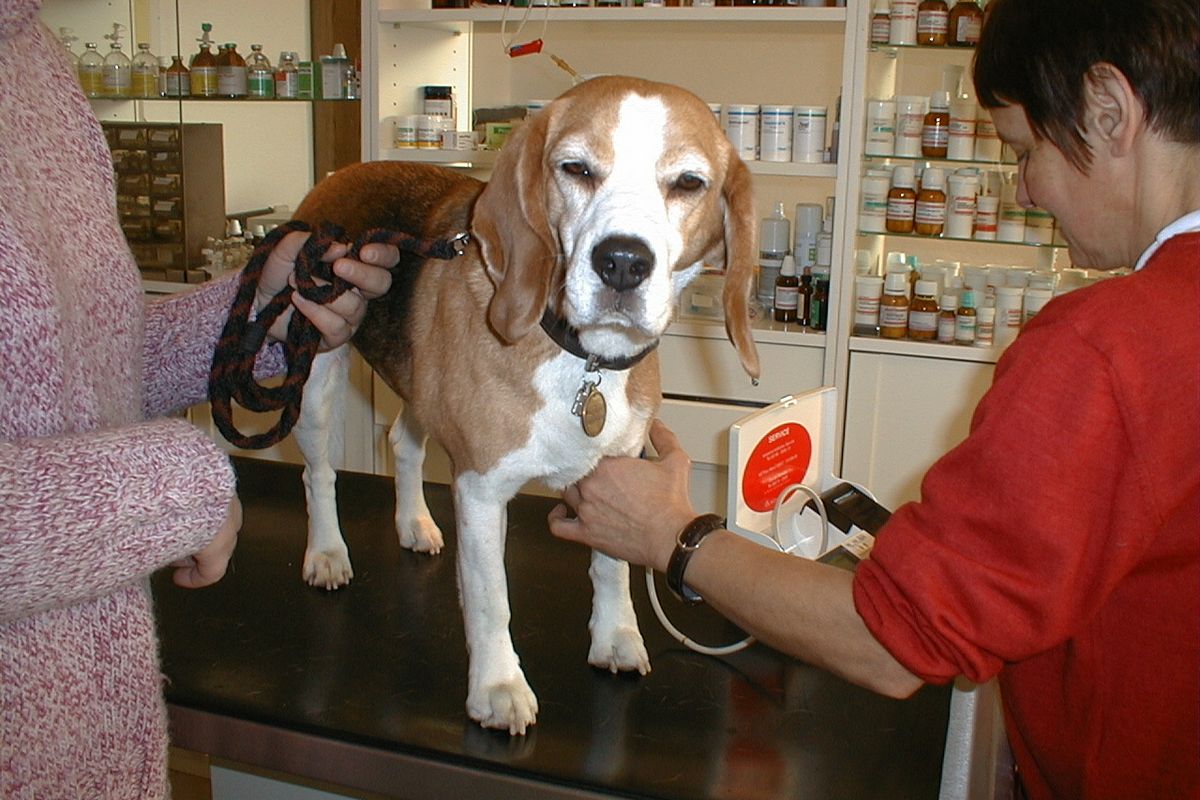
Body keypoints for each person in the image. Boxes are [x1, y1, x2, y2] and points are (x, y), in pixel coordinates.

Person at [549, 1, 1199, 797]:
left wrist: (673, 535)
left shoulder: (1109, 348)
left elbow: (895, 643)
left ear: (1108, 110)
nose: (1027, 191)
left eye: (1025, 151)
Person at [0, 2, 398, 796]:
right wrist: (171, 488)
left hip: (95, 744)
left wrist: (254, 315)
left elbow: (67, 374)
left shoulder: (29, 52)